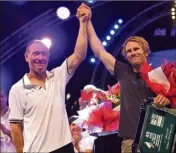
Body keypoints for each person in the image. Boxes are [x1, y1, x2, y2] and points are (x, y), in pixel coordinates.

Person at [76, 3, 171, 153]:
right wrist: (87, 22)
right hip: (130, 142)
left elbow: (171, 107)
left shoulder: (160, 75)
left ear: (146, 52)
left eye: (136, 49)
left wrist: (166, 101)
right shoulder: (123, 71)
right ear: (126, 56)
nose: (132, 53)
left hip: (156, 141)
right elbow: (100, 51)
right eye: (129, 51)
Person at [8, 8, 90, 153]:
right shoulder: (17, 89)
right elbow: (15, 127)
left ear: (48, 56)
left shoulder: (57, 76)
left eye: (44, 54)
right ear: (26, 57)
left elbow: (79, 55)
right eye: (36, 53)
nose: (40, 57)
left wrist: (83, 24)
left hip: (65, 148)